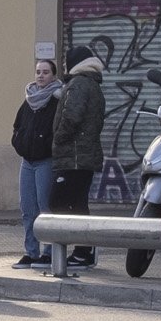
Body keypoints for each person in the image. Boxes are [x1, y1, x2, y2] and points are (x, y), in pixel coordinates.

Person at [51, 54, 107, 270]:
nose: (64, 66)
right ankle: (84, 251)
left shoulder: (79, 83)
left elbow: (72, 116)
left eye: (66, 62)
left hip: (74, 157)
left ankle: (83, 250)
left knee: (58, 202)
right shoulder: (90, 83)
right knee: (78, 203)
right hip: (82, 156)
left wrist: (58, 138)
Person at [11, 57, 61, 267]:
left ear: (53, 75)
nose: (41, 76)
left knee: (45, 208)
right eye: (38, 72)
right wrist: (18, 142)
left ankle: (48, 252)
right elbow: (17, 126)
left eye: (46, 72)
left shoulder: (57, 99)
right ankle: (31, 252)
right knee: (27, 208)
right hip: (27, 161)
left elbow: (59, 131)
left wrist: (46, 146)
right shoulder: (29, 99)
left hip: (45, 162)